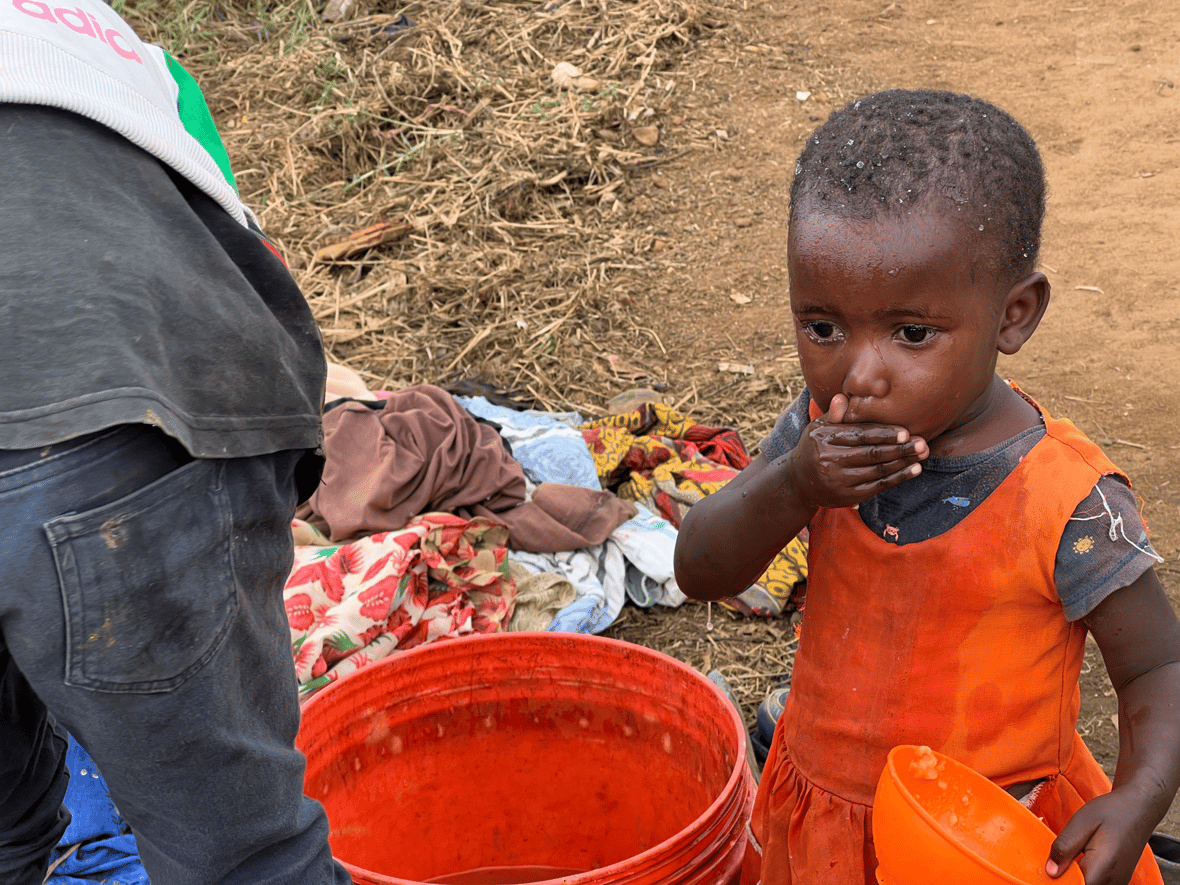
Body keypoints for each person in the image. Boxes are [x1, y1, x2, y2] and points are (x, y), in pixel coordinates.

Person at [674, 89, 1180, 885]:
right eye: (822, 326)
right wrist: (793, 485)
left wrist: (1138, 797)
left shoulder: (1064, 500)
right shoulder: (817, 437)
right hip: (832, 837)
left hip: (984, 846)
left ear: (1014, 316)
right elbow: (700, 569)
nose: (859, 373)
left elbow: (1157, 668)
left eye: (911, 333)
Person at [0, 3, 351, 884]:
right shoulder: (93, 36)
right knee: (245, 858)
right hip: (103, 422)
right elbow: (238, 272)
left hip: (75, 424)